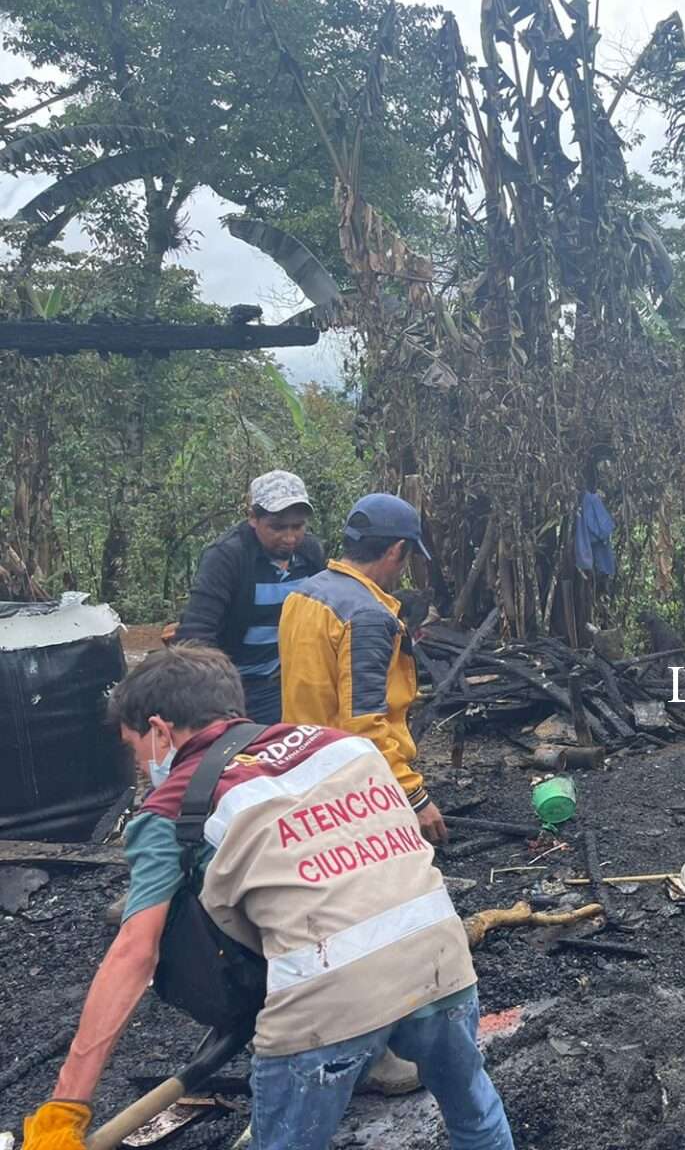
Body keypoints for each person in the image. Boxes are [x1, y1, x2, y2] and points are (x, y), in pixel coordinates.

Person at [18, 646, 513, 1150]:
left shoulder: (171, 810)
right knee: (475, 1114)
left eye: (136, 747)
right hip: (441, 962)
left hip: (326, 1005)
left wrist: (67, 1104)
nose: (141, 767)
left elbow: (133, 953)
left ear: (161, 731)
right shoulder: (345, 747)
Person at [279, 493, 447, 847]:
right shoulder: (367, 615)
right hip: (350, 786)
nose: (402, 568)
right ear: (395, 550)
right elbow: (365, 722)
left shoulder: (305, 593)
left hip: (305, 766)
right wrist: (414, 797)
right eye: (406, 558)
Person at [170, 471, 325, 724]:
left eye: (297, 527)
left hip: (287, 681)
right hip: (234, 685)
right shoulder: (227, 557)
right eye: (277, 527)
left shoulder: (309, 553)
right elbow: (196, 633)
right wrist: (214, 697)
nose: (289, 537)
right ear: (253, 518)